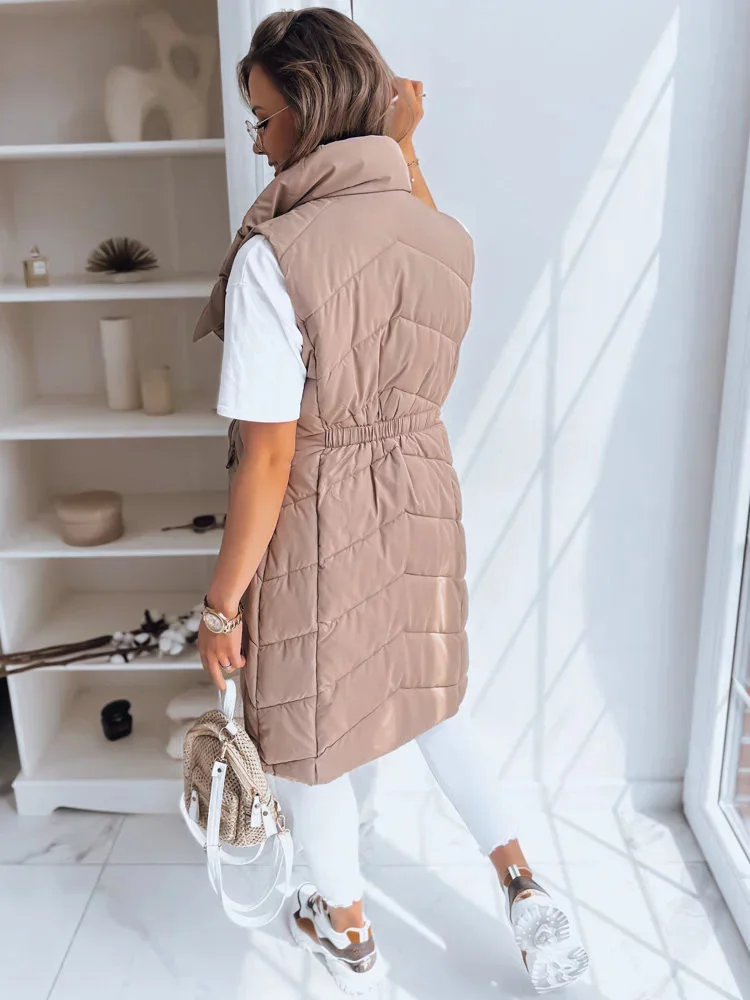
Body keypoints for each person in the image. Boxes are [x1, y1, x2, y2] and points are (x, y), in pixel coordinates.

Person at [194, 7, 589, 995]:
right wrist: (405, 143)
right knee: (429, 693)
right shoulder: (437, 229)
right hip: (418, 488)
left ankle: (349, 932)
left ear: (310, 108)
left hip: (319, 511)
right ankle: (524, 882)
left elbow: (270, 457)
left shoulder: (275, 254)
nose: (259, 142)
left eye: (264, 118)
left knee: (311, 738)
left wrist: (221, 604)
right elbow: (415, 244)